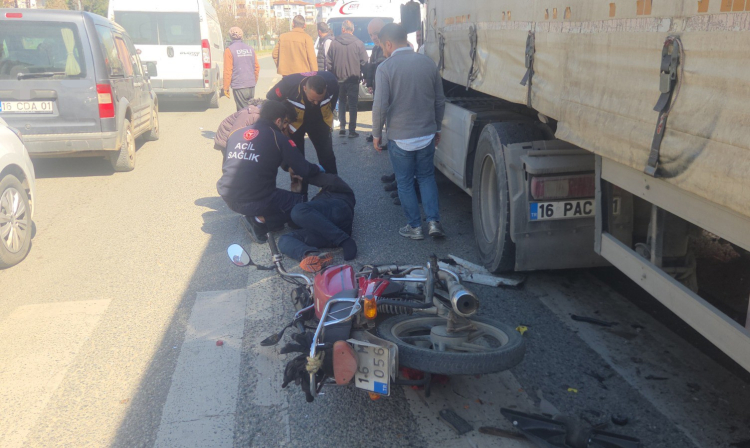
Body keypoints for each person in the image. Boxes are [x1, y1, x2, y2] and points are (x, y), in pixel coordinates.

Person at [372, 23, 446, 240]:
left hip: (400, 137)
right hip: (427, 133)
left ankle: (415, 227)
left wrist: (376, 134)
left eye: (382, 46)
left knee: (404, 182)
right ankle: (434, 223)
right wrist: (437, 127)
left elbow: (380, 106)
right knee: (426, 177)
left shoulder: (385, 68)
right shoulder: (428, 63)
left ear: (388, 44)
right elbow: (439, 101)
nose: (383, 51)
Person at [217, 101, 323, 244]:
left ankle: (265, 219)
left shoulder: (236, 133)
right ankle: (258, 220)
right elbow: (304, 169)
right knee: (300, 203)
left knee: (272, 198)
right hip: (252, 199)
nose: (286, 127)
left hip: (228, 196)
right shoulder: (277, 137)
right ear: (278, 121)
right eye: (285, 123)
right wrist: (318, 168)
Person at [267, 71, 339, 197]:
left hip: (319, 121)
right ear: (305, 88)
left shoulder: (332, 82)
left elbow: (333, 101)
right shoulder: (289, 84)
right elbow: (271, 98)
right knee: (296, 160)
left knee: (327, 156)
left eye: (319, 100)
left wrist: (327, 114)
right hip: (296, 123)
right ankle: (300, 195)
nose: (315, 103)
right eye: (312, 99)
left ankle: (332, 190)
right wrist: (284, 119)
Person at [278, 172, 357, 272]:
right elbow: (295, 222)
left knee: (298, 210)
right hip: (327, 232)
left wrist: (305, 176)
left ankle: (344, 240)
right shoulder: (314, 202)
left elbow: (332, 180)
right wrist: (297, 194)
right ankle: (312, 255)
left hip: (339, 209)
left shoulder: (339, 189)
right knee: (284, 239)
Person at [326, 19, 368, 139]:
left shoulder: (334, 43)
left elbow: (329, 62)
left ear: (342, 29)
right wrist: (365, 76)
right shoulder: (359, 43)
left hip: (338, 79)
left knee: (342, 103)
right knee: (353, 105)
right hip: (353, 79)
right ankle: (352, 130)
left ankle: (342, 128)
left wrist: (332, 75)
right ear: (353, 30)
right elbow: (364, 62)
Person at [223, 27, 261, 111]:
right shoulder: (250, 49)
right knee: (250, 110)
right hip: (251, 85)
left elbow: (227, 71)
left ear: (230, 36)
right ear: (242, 35)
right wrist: (253, 80)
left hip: (239, 86)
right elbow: (257, 67)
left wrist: (226, 87)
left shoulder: (229, 50)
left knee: (242, 112)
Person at [364, 18, 387, 143]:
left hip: (388, 87)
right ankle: (376, 135)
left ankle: (390, 139)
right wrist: (369, 83)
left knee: (388, 113)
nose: (373, 37)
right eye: (370, 35)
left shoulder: (388, 48)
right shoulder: (375, 49)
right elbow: (371, 67)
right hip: (378, 86)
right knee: (377, 111)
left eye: (376, 33)